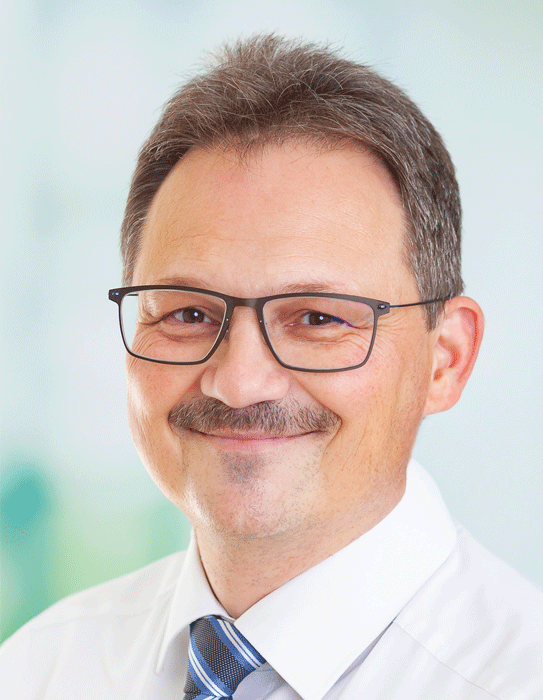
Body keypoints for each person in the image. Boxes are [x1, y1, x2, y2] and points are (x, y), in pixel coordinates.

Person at [1, 34, 542, 700]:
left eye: (317, 318)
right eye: (189, 313)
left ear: (444, 359)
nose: (238, 382)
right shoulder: (39, 669)